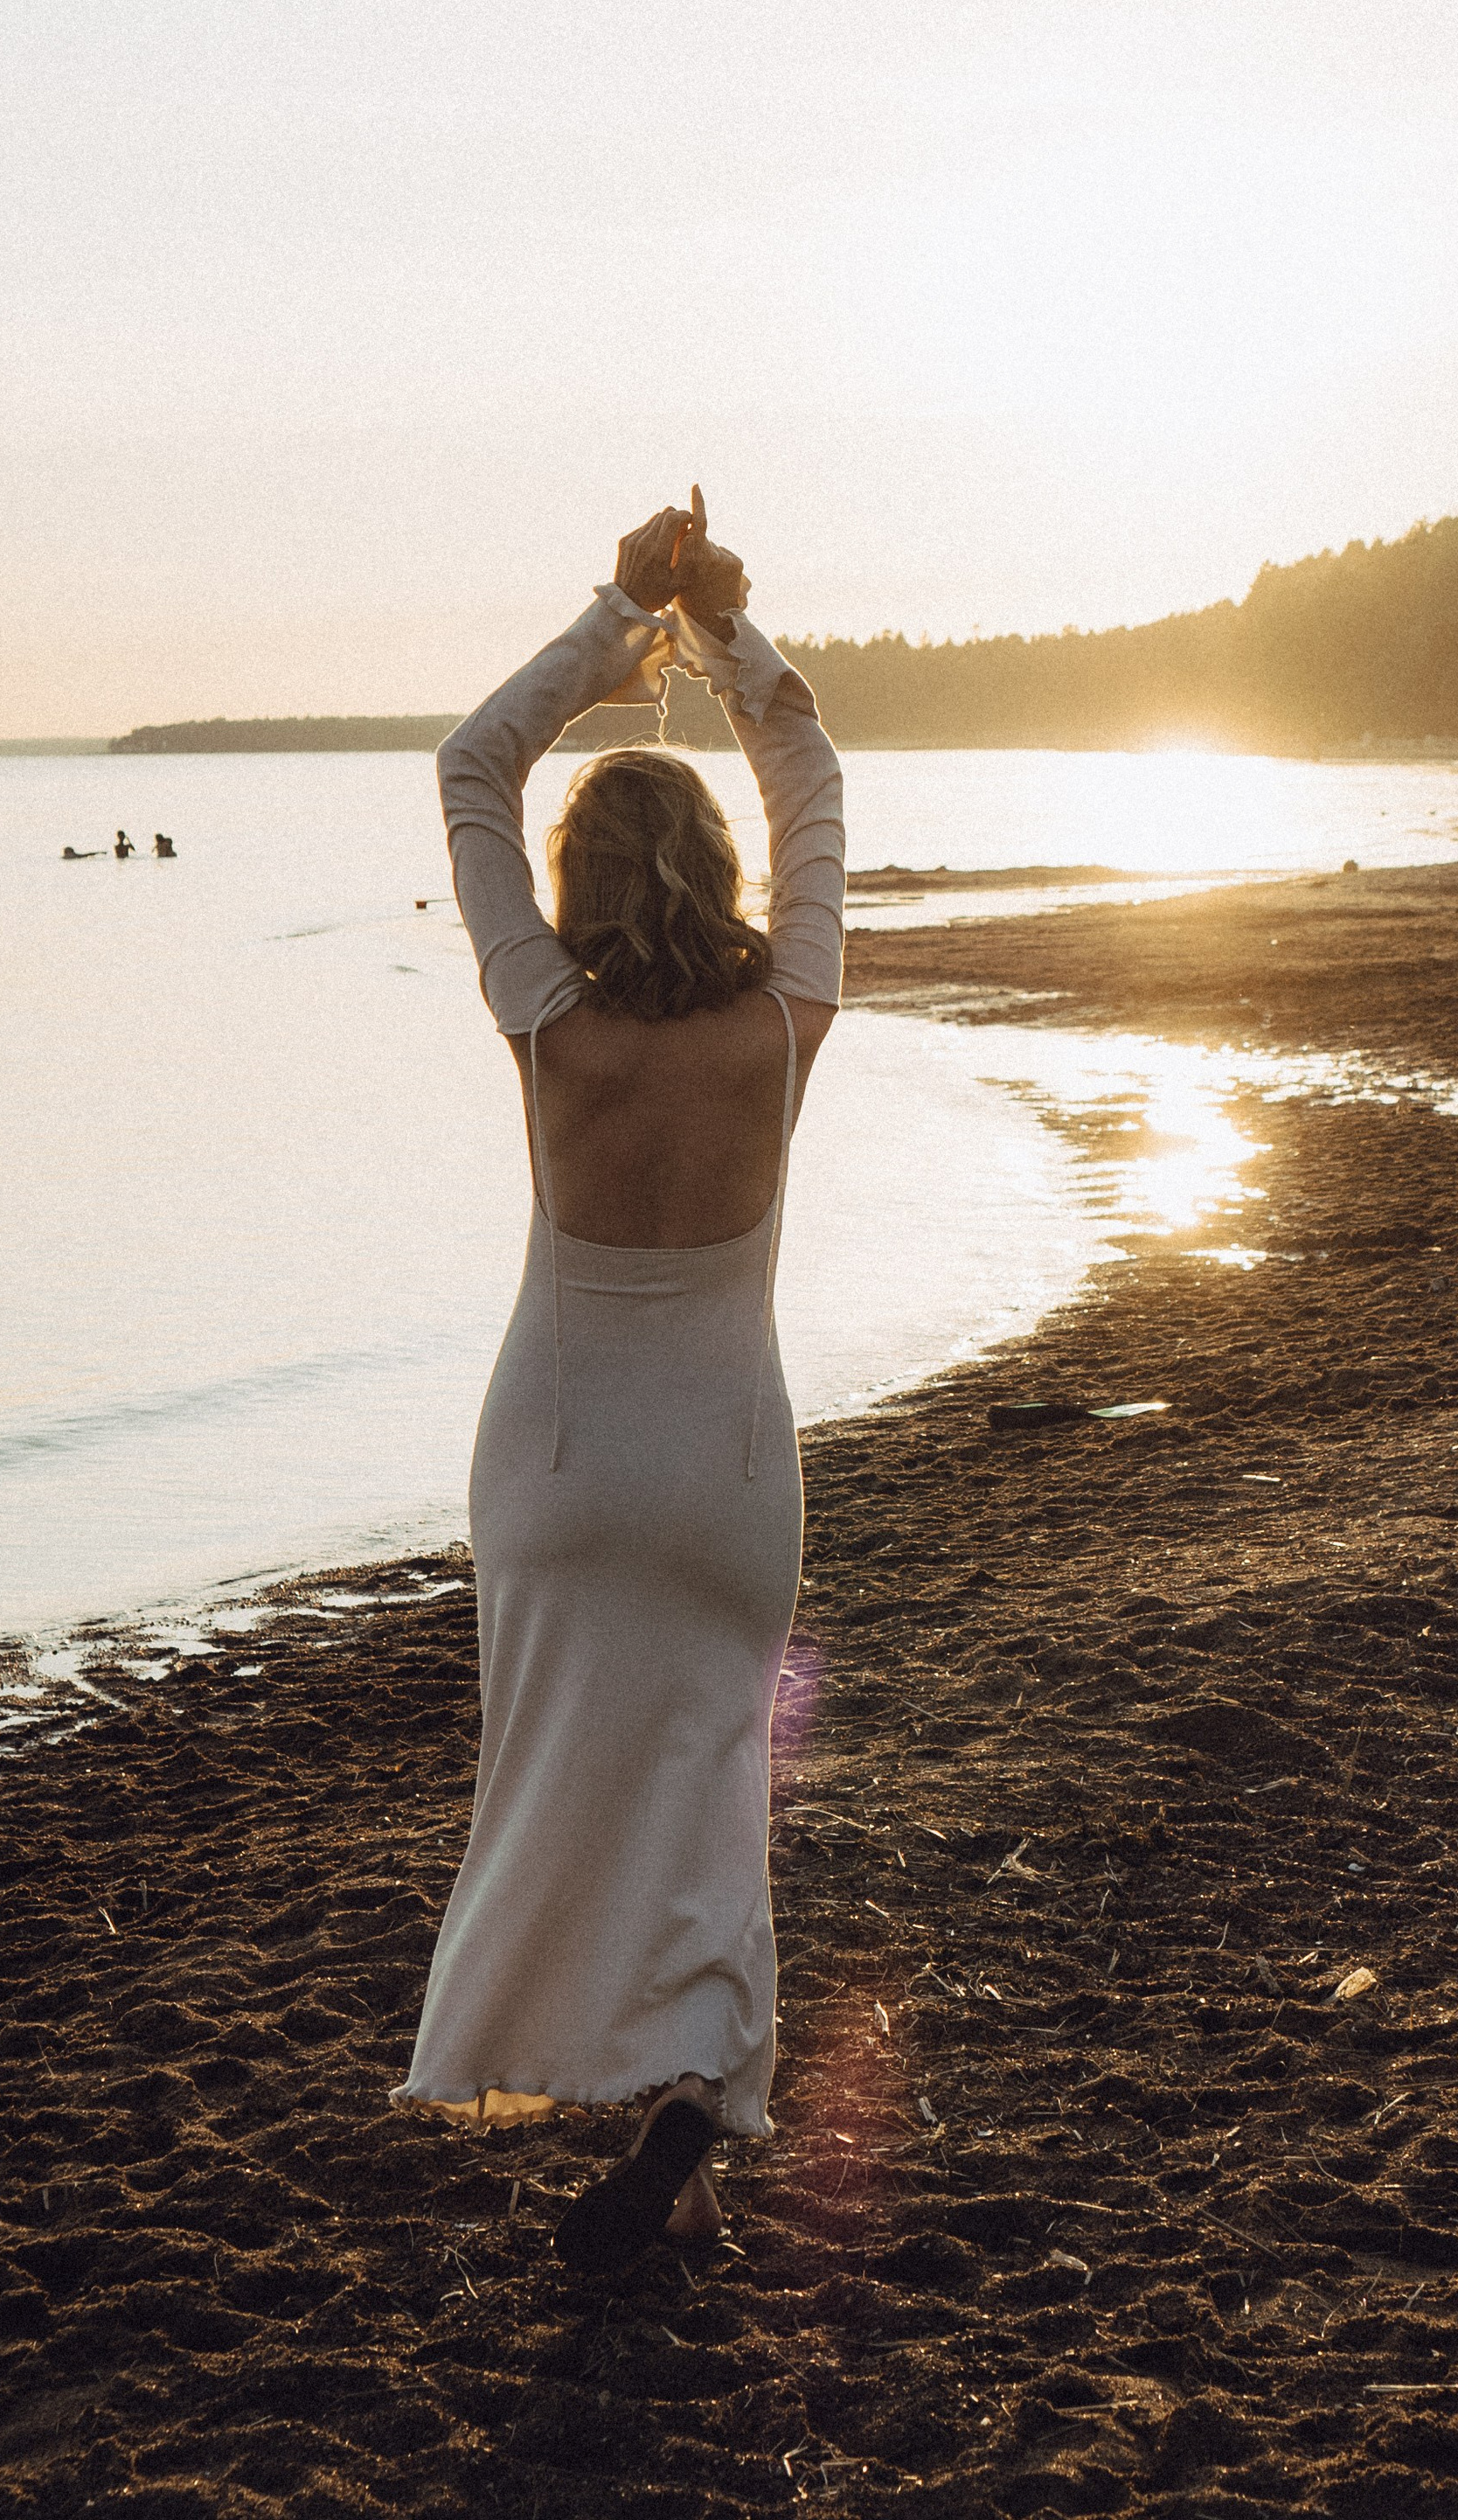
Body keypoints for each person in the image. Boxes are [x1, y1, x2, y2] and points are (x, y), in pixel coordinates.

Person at [398, 490, 845, 2273]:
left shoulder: (549, 1021)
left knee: (559, 1783)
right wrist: (727, 635)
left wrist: (614, 618)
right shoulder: (783, 1022)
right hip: (725, 1478)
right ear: (720, 877)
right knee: (712, 1784)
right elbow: (805, 772)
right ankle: (694, 2100)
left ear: (577, 892)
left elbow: (463, 770)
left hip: (562, 1467)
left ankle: (575, 2048)